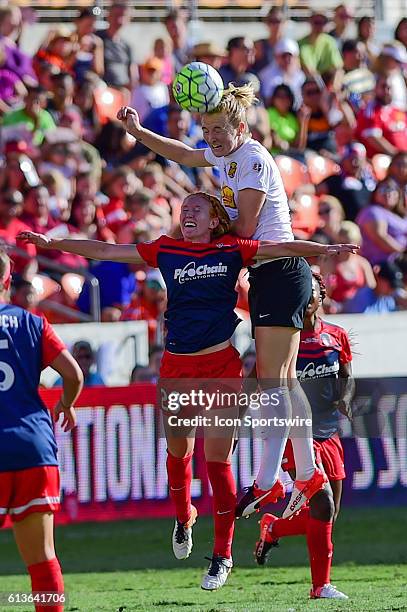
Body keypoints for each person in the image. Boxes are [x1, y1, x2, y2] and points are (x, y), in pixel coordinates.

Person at [19, 192, 358, 591]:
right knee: (179, 452)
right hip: (177, 369)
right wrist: (53, 243)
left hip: (221, 368)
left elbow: (279, 247)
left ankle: (222, 556)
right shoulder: (166, 248)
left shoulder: (232, 248)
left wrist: (324, 249)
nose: (187, 214)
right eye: (184, 210)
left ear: (215, 219)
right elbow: (107, 250)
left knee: (217, 463)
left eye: (196, 208)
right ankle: (184, 517)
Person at [115, 84, 337, 521]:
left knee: (276, 382)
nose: (210, 138)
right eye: (206, 129)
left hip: (279, 269)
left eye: (218, 129)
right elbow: (184, 154)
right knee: (279, 380)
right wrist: (140, 133)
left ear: (239, 126)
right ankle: (293, 475)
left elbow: (247, 229)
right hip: (269, 274)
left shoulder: (251, 160)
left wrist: (205, 231)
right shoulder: (227, 156)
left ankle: (285, 476)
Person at [254, 272, 353, 600]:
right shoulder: (284, 339)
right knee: (321, 503)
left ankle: (275, 528)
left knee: (327, 514)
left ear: (320, 296)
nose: (305, 297)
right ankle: (320, 587)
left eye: (310, 291)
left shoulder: (336, 336)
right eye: (300, 292)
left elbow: (346, 375)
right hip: (298, 434)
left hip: (329, 432)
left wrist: (346, 400)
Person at [0, 249, 83, 612]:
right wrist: (66, 403)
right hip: (33, 448)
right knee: (42, 558)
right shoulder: (33, 323)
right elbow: (73, 375)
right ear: (8, 282)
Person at [316, 142, 375, 221]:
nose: (355, 163)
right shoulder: (336, 180)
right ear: (343, 160)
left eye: (358, 159)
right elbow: (314, 189)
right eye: (351, 159)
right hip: (346, 226)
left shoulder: (369, 183)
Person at [356, 179, 407, 265]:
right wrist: (403, 251)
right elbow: (380, 237)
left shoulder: (402, 215)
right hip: (383, 263)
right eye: (383, 190)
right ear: (375, 193)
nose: (387, 193)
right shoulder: (372, 211)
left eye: (392, 190)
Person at [355, 75, 407, 158]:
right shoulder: (371, 111)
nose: (387, 91)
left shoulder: (397, 111)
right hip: (384, 161)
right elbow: (372, 138)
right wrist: (397, 155)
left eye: (389, 88)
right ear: (375, 88)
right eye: (383, 87)